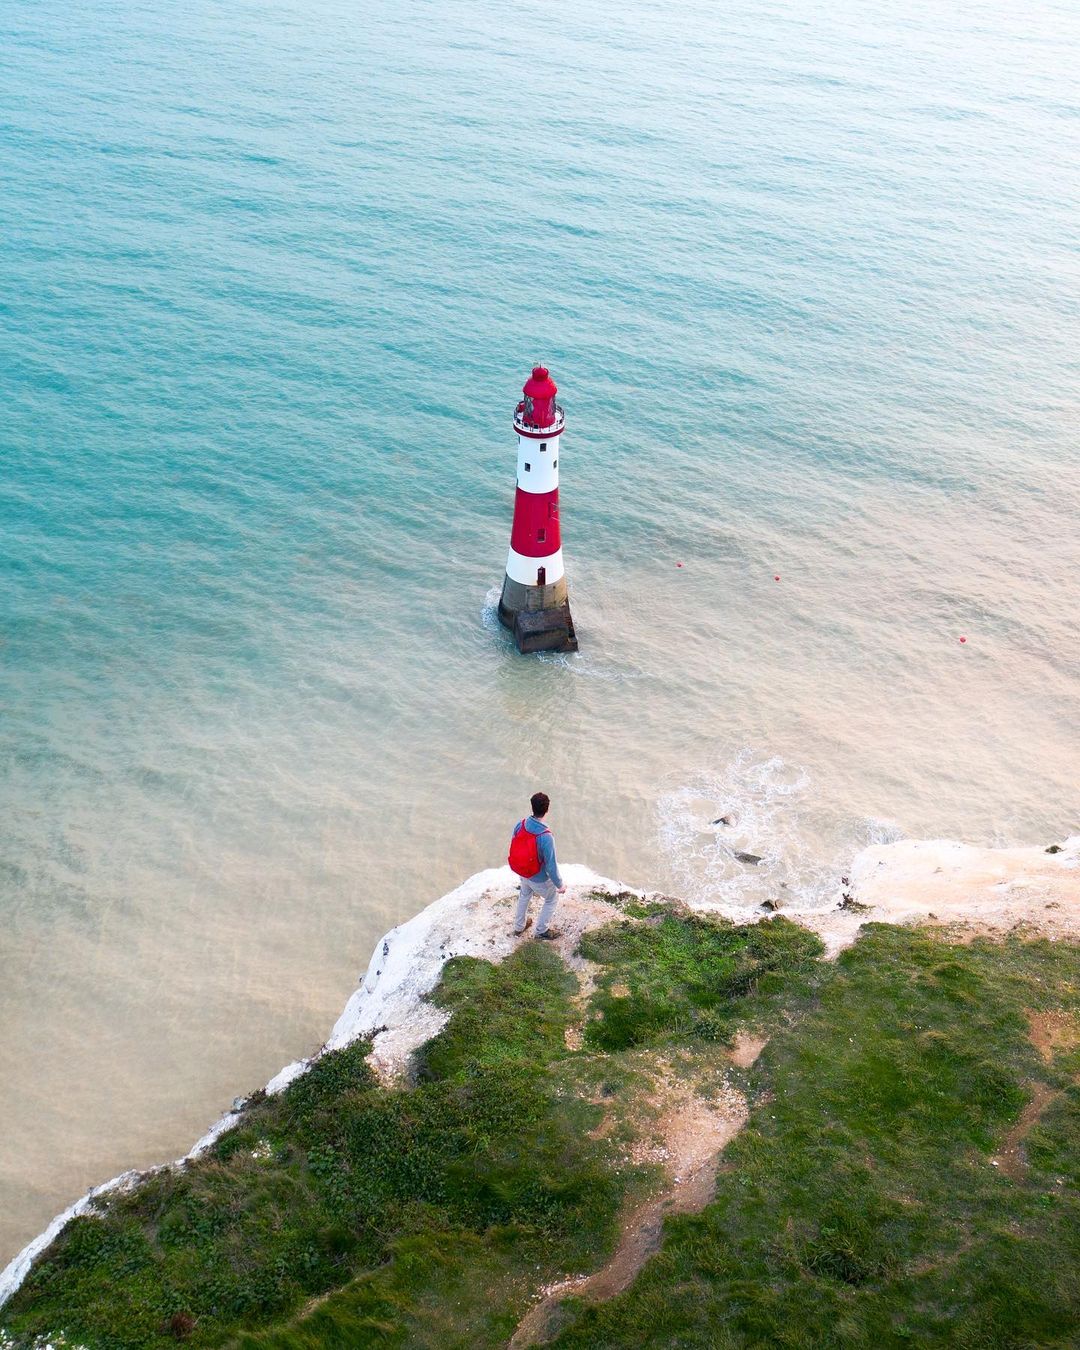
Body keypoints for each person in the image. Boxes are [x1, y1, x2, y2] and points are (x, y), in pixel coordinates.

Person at [508, 791, 567, 939]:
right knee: (551, 899)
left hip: (523, 872)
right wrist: (560, 885)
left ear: (532, 807)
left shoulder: (520, 824)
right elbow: (551, 866)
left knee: (524, 894)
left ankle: (519, 927)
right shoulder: (546, 836)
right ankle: (541, 931)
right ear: (547, 810)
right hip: (538, 878)